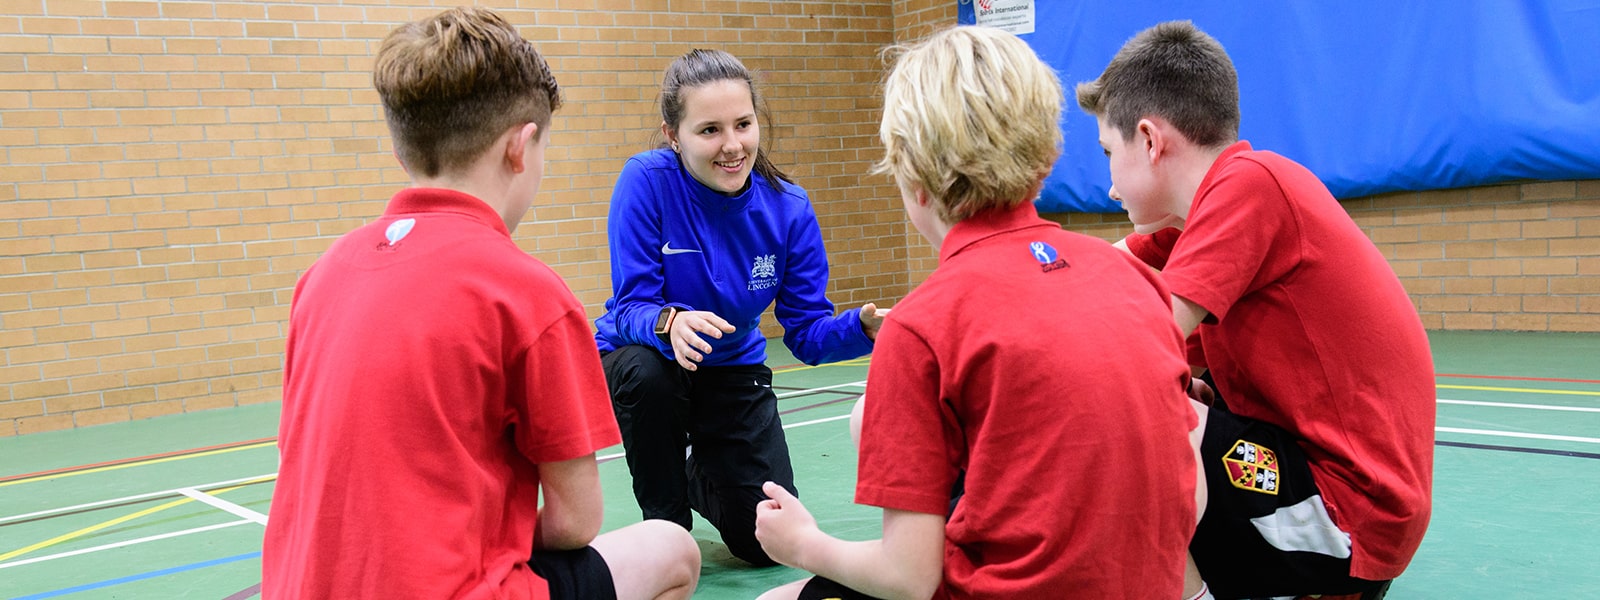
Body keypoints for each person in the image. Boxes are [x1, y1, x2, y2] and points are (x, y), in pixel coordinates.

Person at [262, 8, 699, 600]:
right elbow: (576, 521)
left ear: (402, 153)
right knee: (670, 549)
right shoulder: (526, 292)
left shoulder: (319, 277)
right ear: (522, 147)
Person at [752, 26, 1201, 600]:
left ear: (910, 176)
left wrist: (801, 544)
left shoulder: (922, 325)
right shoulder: (1136, 277)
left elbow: (908, 577)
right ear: (1048, 154)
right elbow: (1190, 491)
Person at [1076, 20, 1436, 600]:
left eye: (1107, 153)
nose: (1111, 187)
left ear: (1148, 140)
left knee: (1142, 417)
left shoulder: (1251, 184)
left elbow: (1143, 339)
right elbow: (1080, 276)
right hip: (1300, 479)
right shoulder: (1189, 225)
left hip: (1348, 512)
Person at [592, 48, 888, 567]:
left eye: (743, 124)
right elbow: (629, 306)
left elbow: (806, 332)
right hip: (648, 358)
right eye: (709, 130)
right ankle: (666, 526)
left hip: (731, 368)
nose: (732, 146)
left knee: (764, 544)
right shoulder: (645, 182)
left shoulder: (788, 208)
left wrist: (864, 328)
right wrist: (670, 322)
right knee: (647, 374)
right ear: (672, 135)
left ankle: (698, 473)